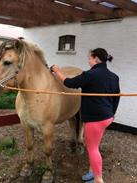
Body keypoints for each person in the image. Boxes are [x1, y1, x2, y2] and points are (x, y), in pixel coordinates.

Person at [51, 48, 120, 183]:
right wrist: (112, 114)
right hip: (107, 117)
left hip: (95, 119)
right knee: (94, 146)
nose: (88, 60)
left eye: (89, 58)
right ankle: (92, 171)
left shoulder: (90, 75)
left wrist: (57, 71)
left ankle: (98, 179)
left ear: (95, 58)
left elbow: (70, 83)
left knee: (93, 148)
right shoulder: (114, 77)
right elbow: (116, 98)